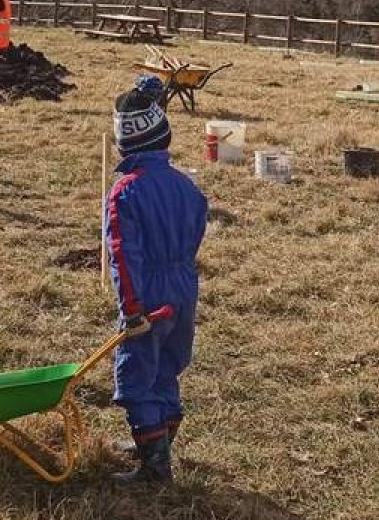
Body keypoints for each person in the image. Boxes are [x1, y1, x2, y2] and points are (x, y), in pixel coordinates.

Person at [106, 76, 208, 484]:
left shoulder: (125, 192)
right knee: (166, 367)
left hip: (146, 295)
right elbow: (197, 230)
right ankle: (160, 439)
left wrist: (131, 308)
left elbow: (123, 256)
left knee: (135, 377)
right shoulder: (187, 186)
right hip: (183, 287)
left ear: (123, 144)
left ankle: (153, 467)